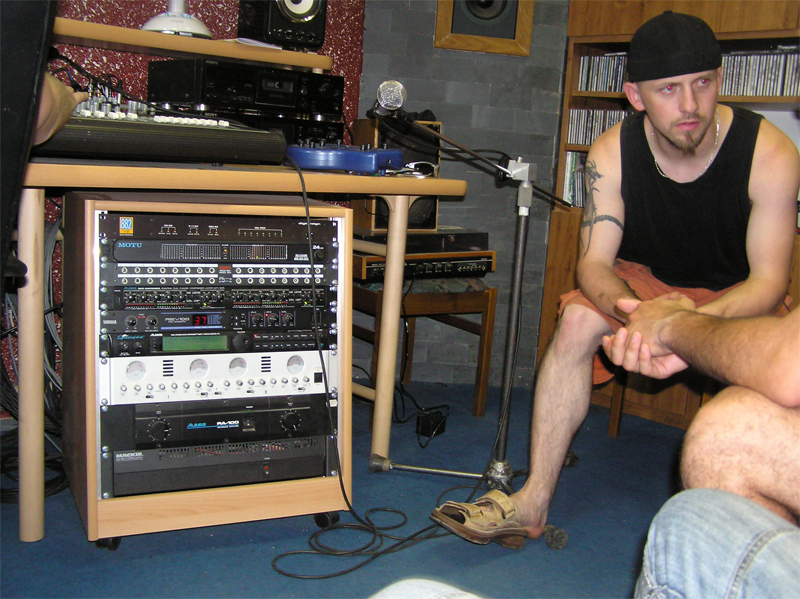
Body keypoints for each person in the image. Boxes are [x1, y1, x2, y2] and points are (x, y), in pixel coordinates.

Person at [429, 10, 799, 549]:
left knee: (773, 372)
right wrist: (641, 316)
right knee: (577, 321)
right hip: (642, 286)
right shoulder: (609, 152)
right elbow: (595, 265)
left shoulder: (771, 152)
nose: (690, 104)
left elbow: (768, 282)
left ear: (720, 79)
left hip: (735, 293)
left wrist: (685, 325)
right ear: (635, 95)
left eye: (703, 83)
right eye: (669, 89)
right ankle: (533, 500)